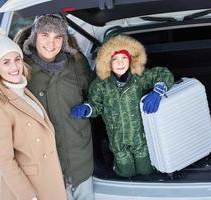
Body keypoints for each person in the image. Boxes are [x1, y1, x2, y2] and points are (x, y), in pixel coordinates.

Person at [0, 28, 67, 200]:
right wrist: (28, 196)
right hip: (27, 190)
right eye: (6, 62)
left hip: (47, 181)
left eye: (17, 59)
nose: (14, 67)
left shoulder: (23, 91)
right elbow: (4, 161)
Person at [71, 35, 174, 177]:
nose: (120, 63)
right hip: (117, 141)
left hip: (141, 139)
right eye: (115, 59)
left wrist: (157, 91)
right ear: (108, 62)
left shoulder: (139, 77)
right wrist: (87, 109)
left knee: (146, 171)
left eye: (124, 58)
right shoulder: (101, 84)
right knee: (125, 173)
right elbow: (96, 105)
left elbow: (162, 73)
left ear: (131, 59)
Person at [15, 14, 94, 200]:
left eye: (58, 37)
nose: (52, 43)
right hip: (45, 167)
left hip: (81, 161)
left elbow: (96, 93)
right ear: (34, 36)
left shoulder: (76, 63)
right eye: (45, 35)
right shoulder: (20, 67)